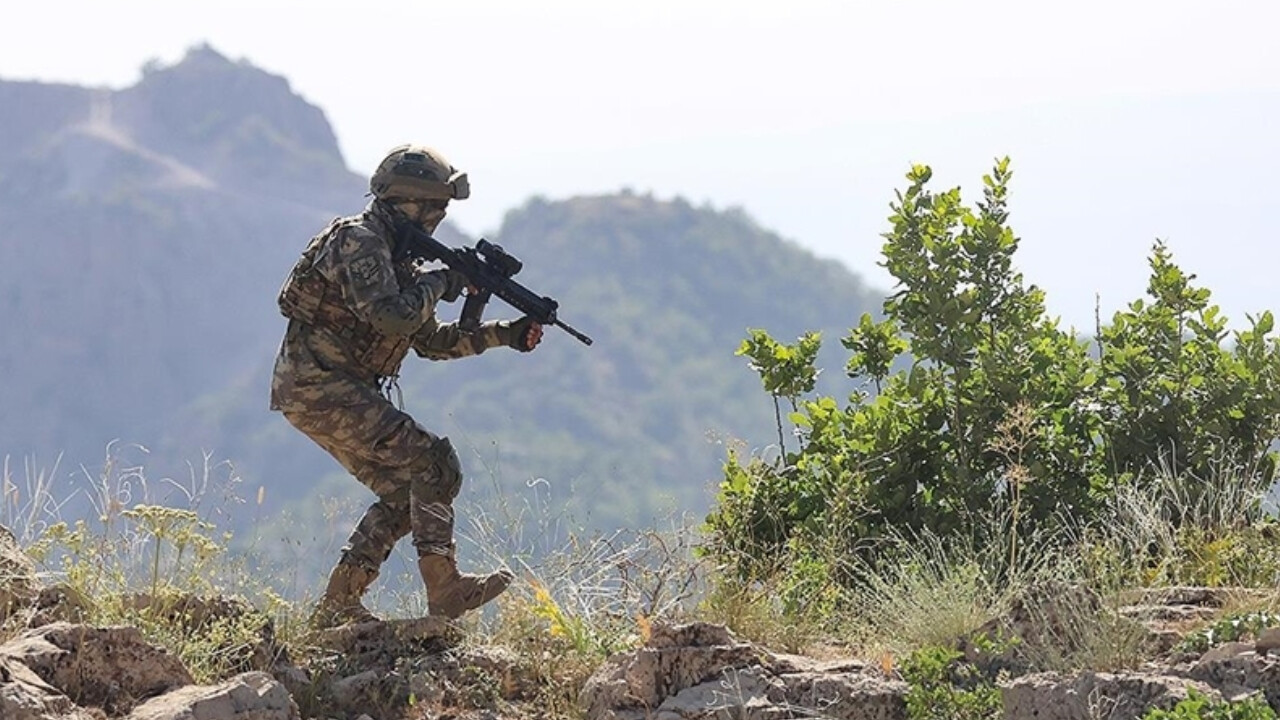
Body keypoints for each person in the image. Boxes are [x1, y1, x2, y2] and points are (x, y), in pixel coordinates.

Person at [269, 144, 543, 628]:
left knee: (406, 495)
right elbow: (392, 317)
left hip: (328, 389)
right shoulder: (360, 241)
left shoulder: (397, 262)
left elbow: (432, 342)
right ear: (407, 203)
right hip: (319, 386)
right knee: (434, 463)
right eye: (435, 207)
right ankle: (446, 590)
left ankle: (338, 605)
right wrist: (443, 282)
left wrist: (507, 334)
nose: (439, 218)